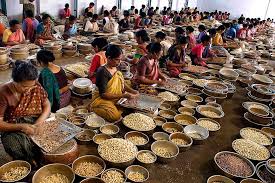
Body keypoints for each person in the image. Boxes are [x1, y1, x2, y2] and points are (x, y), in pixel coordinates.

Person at [0, 61, 51, 165]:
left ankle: (43, 159)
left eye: (31, 87)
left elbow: (47, 105)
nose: (29, 90)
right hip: (13, 125)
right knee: (14, 146)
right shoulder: (3, 92)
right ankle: (28, 163)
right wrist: (21, 127)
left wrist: (39, 122)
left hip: (34, 119)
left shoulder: (34, 85)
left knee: (50, 137)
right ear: (14, 81)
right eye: (24, 87)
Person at [89, 45, 138, 122]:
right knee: (115, 116)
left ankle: (116, 106)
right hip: (103, 99)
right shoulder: (102, 71)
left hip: (115, 96)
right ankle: (93, 108)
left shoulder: (116, 66)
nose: (119, 62)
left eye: (120, 59)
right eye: (117, 59)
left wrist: (132, 91)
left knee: (132, 105)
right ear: (108, 58)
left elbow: (122, 83)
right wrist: (124, 95)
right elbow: (103, 95)